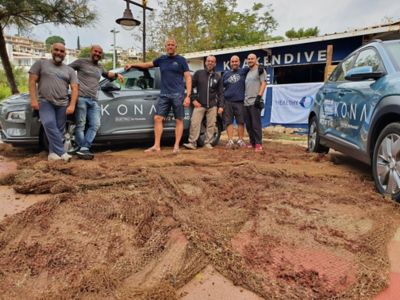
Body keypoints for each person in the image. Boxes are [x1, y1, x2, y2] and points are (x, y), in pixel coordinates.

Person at [125, 38, 191, 153]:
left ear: (175, 46)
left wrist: (188, 95)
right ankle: (156, 146)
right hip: (164, 94)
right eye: (168, 45)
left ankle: (176, 146)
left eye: (172, 45)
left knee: (179, 120)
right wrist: (132, 64)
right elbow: (147, 64)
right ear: (165, 47)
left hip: (177, 94)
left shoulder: (181, 60)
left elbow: (188, 77)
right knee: (158, 118)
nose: (170, 46)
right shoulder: (162, 59)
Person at [69, 45, 124, 160]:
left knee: (95, 125)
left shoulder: (99, 66)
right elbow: (66, 70)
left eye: (99, 52)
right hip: (81, 98)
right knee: (81, 124)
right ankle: (84, 149)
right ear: (91, 51)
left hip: (93, 100)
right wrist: (73, 83)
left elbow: (107, 74)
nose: (97, 54)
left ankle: (83, 148)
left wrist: (116, 75)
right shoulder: (81, 62)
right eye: (96, 51)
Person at [29, 43, 78, 161]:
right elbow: (31, 82)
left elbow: (75, 88)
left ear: (65, 54)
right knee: (49, 123)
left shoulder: (70, 70)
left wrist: (72, 105)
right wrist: (34, 100)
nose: (59, 53)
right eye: (56, 50)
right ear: (51, 51)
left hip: (62, 104)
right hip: (45, 101)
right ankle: (62, 152)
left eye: (62, 51)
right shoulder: (41, 64)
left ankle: (52, 154)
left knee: (59, 129)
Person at [183, 55, 224, 150]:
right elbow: (190, 87)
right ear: (205, 62)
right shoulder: (199, 73)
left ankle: (208, 143)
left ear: (215, 64)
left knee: (211, 125)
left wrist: (221, 105)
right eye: (208, 61)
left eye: (212, 61)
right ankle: (192, 143)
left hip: (212, 105)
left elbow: (221, 93)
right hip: (199, 104)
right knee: (194, 123)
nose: (210, 63)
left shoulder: (218, 77)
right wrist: (193, 99)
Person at [222, 55, 247, 149]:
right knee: (229, 122)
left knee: (241, 122)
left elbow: (254, 68)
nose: (234, 63)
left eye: (236, 61)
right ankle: (230, 140)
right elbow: (222, 87)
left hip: (240, 101)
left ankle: (240, 140)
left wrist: (259, 65)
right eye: (232, 61)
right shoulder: (225, 74)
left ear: (239, 62)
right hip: (227, 101)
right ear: (230, 63)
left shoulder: (244, 71)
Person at [244, 53, 267, 152]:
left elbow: (263, 83)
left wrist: (259, 96)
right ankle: (252, 142)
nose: (250, 60)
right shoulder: (248, 72)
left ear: (256, 59)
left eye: (252, 59)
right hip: (246, 102)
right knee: (249, 125)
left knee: (256, 124)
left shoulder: (260, 70)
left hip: (255, 101)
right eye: (248, 59)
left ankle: (258, 144)